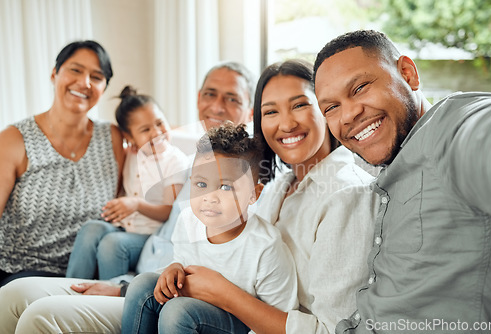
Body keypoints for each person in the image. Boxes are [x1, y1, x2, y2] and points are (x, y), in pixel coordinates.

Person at [0, 61, 257, 334]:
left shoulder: (242, 179)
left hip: (153, 294)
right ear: (197, 98)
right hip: (135, 277)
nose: (216, 106)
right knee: (12, 294)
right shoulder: (196, 159)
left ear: (249, 112)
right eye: (210, 94)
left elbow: (213, 266)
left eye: (231, 99)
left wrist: (123, 288)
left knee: (40, 316)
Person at [127, 59, 378, 334]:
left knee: (178, 312)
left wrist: (224, 294)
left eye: (299, 105)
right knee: (143, 288)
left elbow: (335, 329)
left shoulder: (347, 194)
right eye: (270, 112)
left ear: (325, 108)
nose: (286, 123)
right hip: (229, 315)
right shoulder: (279, 186)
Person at [313, 29, 491, 333]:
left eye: (360, 87)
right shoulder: (391, 168)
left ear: (408, 74)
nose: (347, 115)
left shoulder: (451, 129)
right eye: (331, 107)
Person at [122, 122, 298, 333]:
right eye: (201, 184)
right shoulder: (187, 221)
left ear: (254, 194)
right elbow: (184, 262)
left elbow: (281, 319)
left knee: (177, 311)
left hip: (240, 323)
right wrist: (175, 268)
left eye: (225, 187)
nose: (209, 198)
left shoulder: (266, 247)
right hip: (195, 309)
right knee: (142, 285)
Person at [0, 40, 124, 287]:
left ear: (104, 87)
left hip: (88, 276)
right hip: (21, 273)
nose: (85, 83)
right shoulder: (14, 139)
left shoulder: (112, 137)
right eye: (75, 70)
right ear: (54, 74)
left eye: (96, 77)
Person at [66, 86, 189, 280]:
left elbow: (167, 211)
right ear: (130, 137)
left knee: (112, 244)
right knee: (91, 228)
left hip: (150, 236)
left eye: (159, 123)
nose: (157, 132)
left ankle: (109, 296)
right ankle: (69, 288)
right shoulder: (130, 155)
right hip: (124, 227)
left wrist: (136, 204)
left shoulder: (175, 161)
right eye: (145, 129)